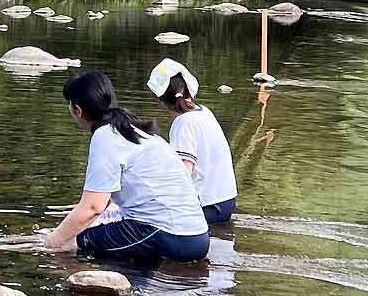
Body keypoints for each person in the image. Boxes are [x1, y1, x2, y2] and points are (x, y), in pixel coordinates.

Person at [44, 70, 211, 264]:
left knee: (71, 244)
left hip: (170, 236)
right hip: (196, 235)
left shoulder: (105, 136)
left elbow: (92, 208)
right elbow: (102, 204)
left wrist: (52, 241)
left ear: (78, 110)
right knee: (87, 233)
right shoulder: (132, 128)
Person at [147, 58, 238, 224]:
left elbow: (183, 175)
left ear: (161, 101)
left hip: (209, 206)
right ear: (190, 89)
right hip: (227, 201)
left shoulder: (183, 123)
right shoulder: (205, 112)